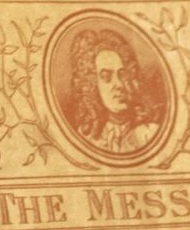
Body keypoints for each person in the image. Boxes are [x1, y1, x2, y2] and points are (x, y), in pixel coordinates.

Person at [63, 24, 164, 156]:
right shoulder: (85, 139)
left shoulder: (149, 134)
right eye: (106, 77)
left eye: (122, 75)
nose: (119, 85)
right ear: (92, 85)